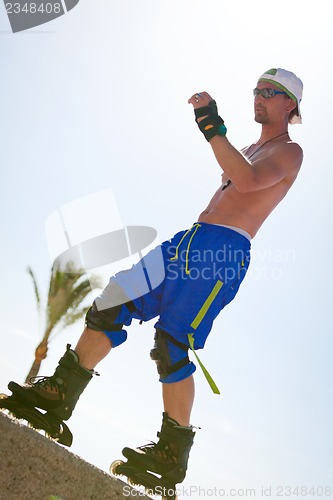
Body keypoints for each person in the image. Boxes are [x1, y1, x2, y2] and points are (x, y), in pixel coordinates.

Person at [9, 68, 303, 489]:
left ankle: (171, 453)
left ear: (289, 103)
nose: (258, 97)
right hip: (191, 238)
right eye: (256, 90)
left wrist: (210, 126)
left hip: (223, 253)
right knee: (114, 297)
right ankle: (58, 393)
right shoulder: (250, 145)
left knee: (171, 343)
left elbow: (248, 180)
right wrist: (218, 133)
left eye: (269, 93)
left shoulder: (291, 152)